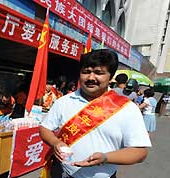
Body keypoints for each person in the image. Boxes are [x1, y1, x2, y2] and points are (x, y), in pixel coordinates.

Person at [39, 49, 151, 178]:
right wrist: (55, 142)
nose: (91, 78)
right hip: (62, 172)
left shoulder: (127, 108)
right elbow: (45, 128)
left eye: (99, 73)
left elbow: (140, 152)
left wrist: (105, 158)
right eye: (86, 72)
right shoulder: (63, 101)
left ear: (110, 76)